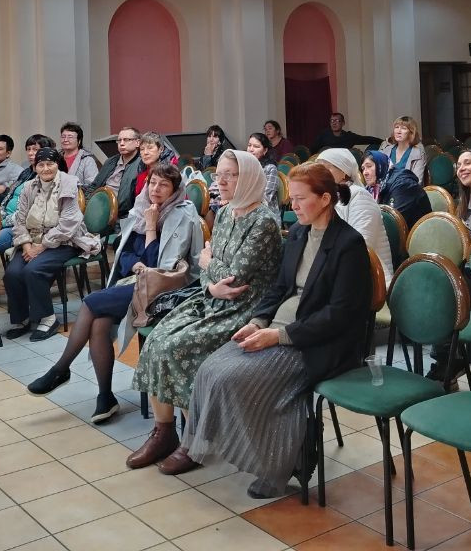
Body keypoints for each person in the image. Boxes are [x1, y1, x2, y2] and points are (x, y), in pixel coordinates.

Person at [173, 163, 372, 498]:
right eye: (291, 198)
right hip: (278, 328)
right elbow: (278, 288)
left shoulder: (348, 244)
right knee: (209, 370)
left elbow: (339, 315)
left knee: (234, 380)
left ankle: (280, 462)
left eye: (300, 198)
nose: (293, 205)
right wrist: (258, 321)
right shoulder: (298, 234)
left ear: (325, 199)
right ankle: (284, 448)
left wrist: (279, 336)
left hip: (318, 343)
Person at [127, 150, 283, 470]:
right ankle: (164, 431)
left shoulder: (264, 222)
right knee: (156, 340)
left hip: (244, 309)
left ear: (248, 178)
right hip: (212, 298)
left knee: (180, 347)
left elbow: (235, 277)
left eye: (229, 175)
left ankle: (195, 440)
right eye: (218, 174)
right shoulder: (225, 213)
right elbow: (209, 271)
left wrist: (210, 264)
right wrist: (211, 283)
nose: (220, 182)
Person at [26, 163, 202, 423]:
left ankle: (61, 369)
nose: (155, 189)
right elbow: (125, 252)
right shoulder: (142, 208)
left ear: (175, 190)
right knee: (99, 323)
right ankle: (105, 396)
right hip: (134, 281)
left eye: (164, 185)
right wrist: (135, 263)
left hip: (164, 290)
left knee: (90, 303)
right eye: (152, 183)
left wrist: (151, 228)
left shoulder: (182, 216)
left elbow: (160, 268)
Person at [3, 148, 99, 342]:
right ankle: (22, 318)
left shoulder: (69, 184)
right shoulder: (28, 187)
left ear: (58, 165)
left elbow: (68, 224)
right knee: (12, 273)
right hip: (33, 240)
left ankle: (48, 319)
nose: (46, 168)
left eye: (50, 164)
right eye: (41, 164)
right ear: (35, 167)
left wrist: (41, 246)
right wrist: (26, 245)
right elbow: (20, 220)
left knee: (33, 270)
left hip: (64, 241)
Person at [316, 148, 393, 285]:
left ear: (344, 172)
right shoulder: (327, 198)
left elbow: (360, 246)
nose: (320, 173)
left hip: (367, 278)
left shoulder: (359, 195)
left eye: (326, 167)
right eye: (318, 168)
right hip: (335, 272)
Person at [0, 134, 56, 255]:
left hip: (21, 227)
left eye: (35, 149)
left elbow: (32, 212)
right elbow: (9, 197)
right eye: (28, 149)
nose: (31, 153)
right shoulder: (26, 172)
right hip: (5, 220)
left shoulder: (46, 177)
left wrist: (2, 222)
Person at [361, 150, 430, 236]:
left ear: (380, 166)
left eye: (369, 166)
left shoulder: (403, 184)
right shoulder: (373, 188)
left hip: (419, 237)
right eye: (363, 168)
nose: (365, 172)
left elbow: (392, 223)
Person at [86, 126, 144, 220]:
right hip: (98, 208)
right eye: (119, 140)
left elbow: (133, 200)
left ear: (137, 143)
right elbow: (94, 186)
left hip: (121, 215)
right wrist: (88, 205)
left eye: (126, 140)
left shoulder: (141, 164)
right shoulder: (110, 161)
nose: (122, 143)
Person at [379, 115, 426, 183]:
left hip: (406, 189)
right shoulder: (386, 150)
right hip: (385, 188)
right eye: (396, 127)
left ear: (411, 133)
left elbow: (416, 182)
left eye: (404, 128)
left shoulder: (418, 153)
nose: (398, 131)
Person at [245, 133, 281, 217]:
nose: (251, 149)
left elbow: (265, 197)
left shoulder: (270, 169)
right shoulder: (244, 168)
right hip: (245, 209)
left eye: (256, 146)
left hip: (265, 214)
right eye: (249, 145)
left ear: (265, 150)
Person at [134, 131, 179, 198]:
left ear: (161, 149)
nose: (145, 152)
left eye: (150, 148)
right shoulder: (141, 170)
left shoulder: (171, 172)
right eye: (142, 149)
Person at [312, 112, 377, 153]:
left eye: (337, 120)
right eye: (332, 121)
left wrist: (382, 141)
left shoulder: (349, 136)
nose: (334, 123)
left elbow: (366, 139)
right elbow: (313, 150)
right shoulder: (323, 135)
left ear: (343, 123)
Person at [60, 122, 100, 186]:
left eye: (70, 137)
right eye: (63, 137)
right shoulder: (56, 158)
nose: (65, 140)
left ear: (79, 141)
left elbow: (92, 185)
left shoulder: (87, 160)